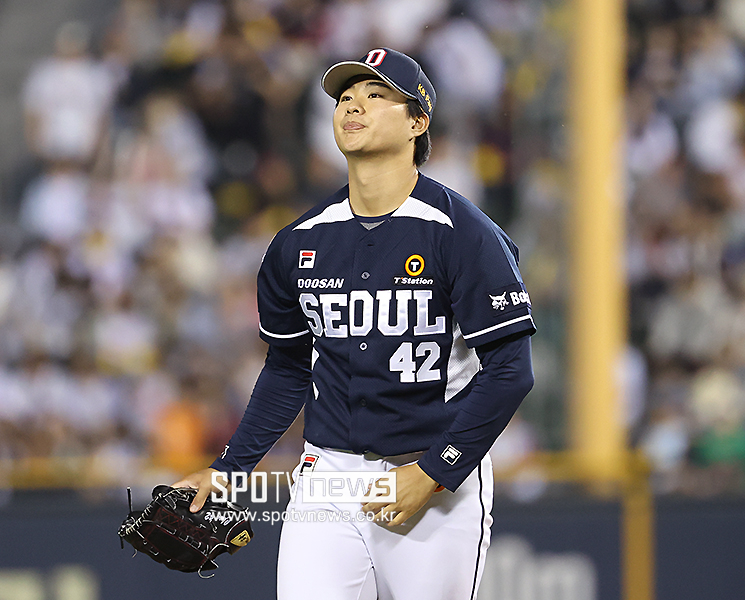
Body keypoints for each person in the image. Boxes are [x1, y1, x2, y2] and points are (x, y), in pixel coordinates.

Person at [174, 48, 535, 600]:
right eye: (345, 97)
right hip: (327, 476)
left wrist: (437, 470)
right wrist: (229, 469)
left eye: (376, 95)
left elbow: (511, 370)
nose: (353, 106)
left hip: (431, 473)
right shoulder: (299, 242)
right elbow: (289, 368)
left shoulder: (461, 231)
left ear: (418, 122)